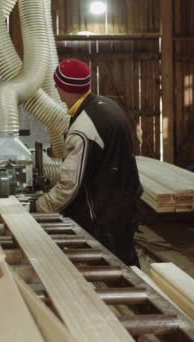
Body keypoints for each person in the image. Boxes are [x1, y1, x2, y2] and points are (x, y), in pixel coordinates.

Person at [34, 58, 142, 266]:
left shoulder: (84, 127)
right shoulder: (107, 105)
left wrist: (38, 206)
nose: (55, 87)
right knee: (127, 265)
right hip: (124, 203)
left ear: (63, 88)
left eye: (57, 84)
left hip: (103, 216)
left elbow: (69, 187)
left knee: (113, 272)